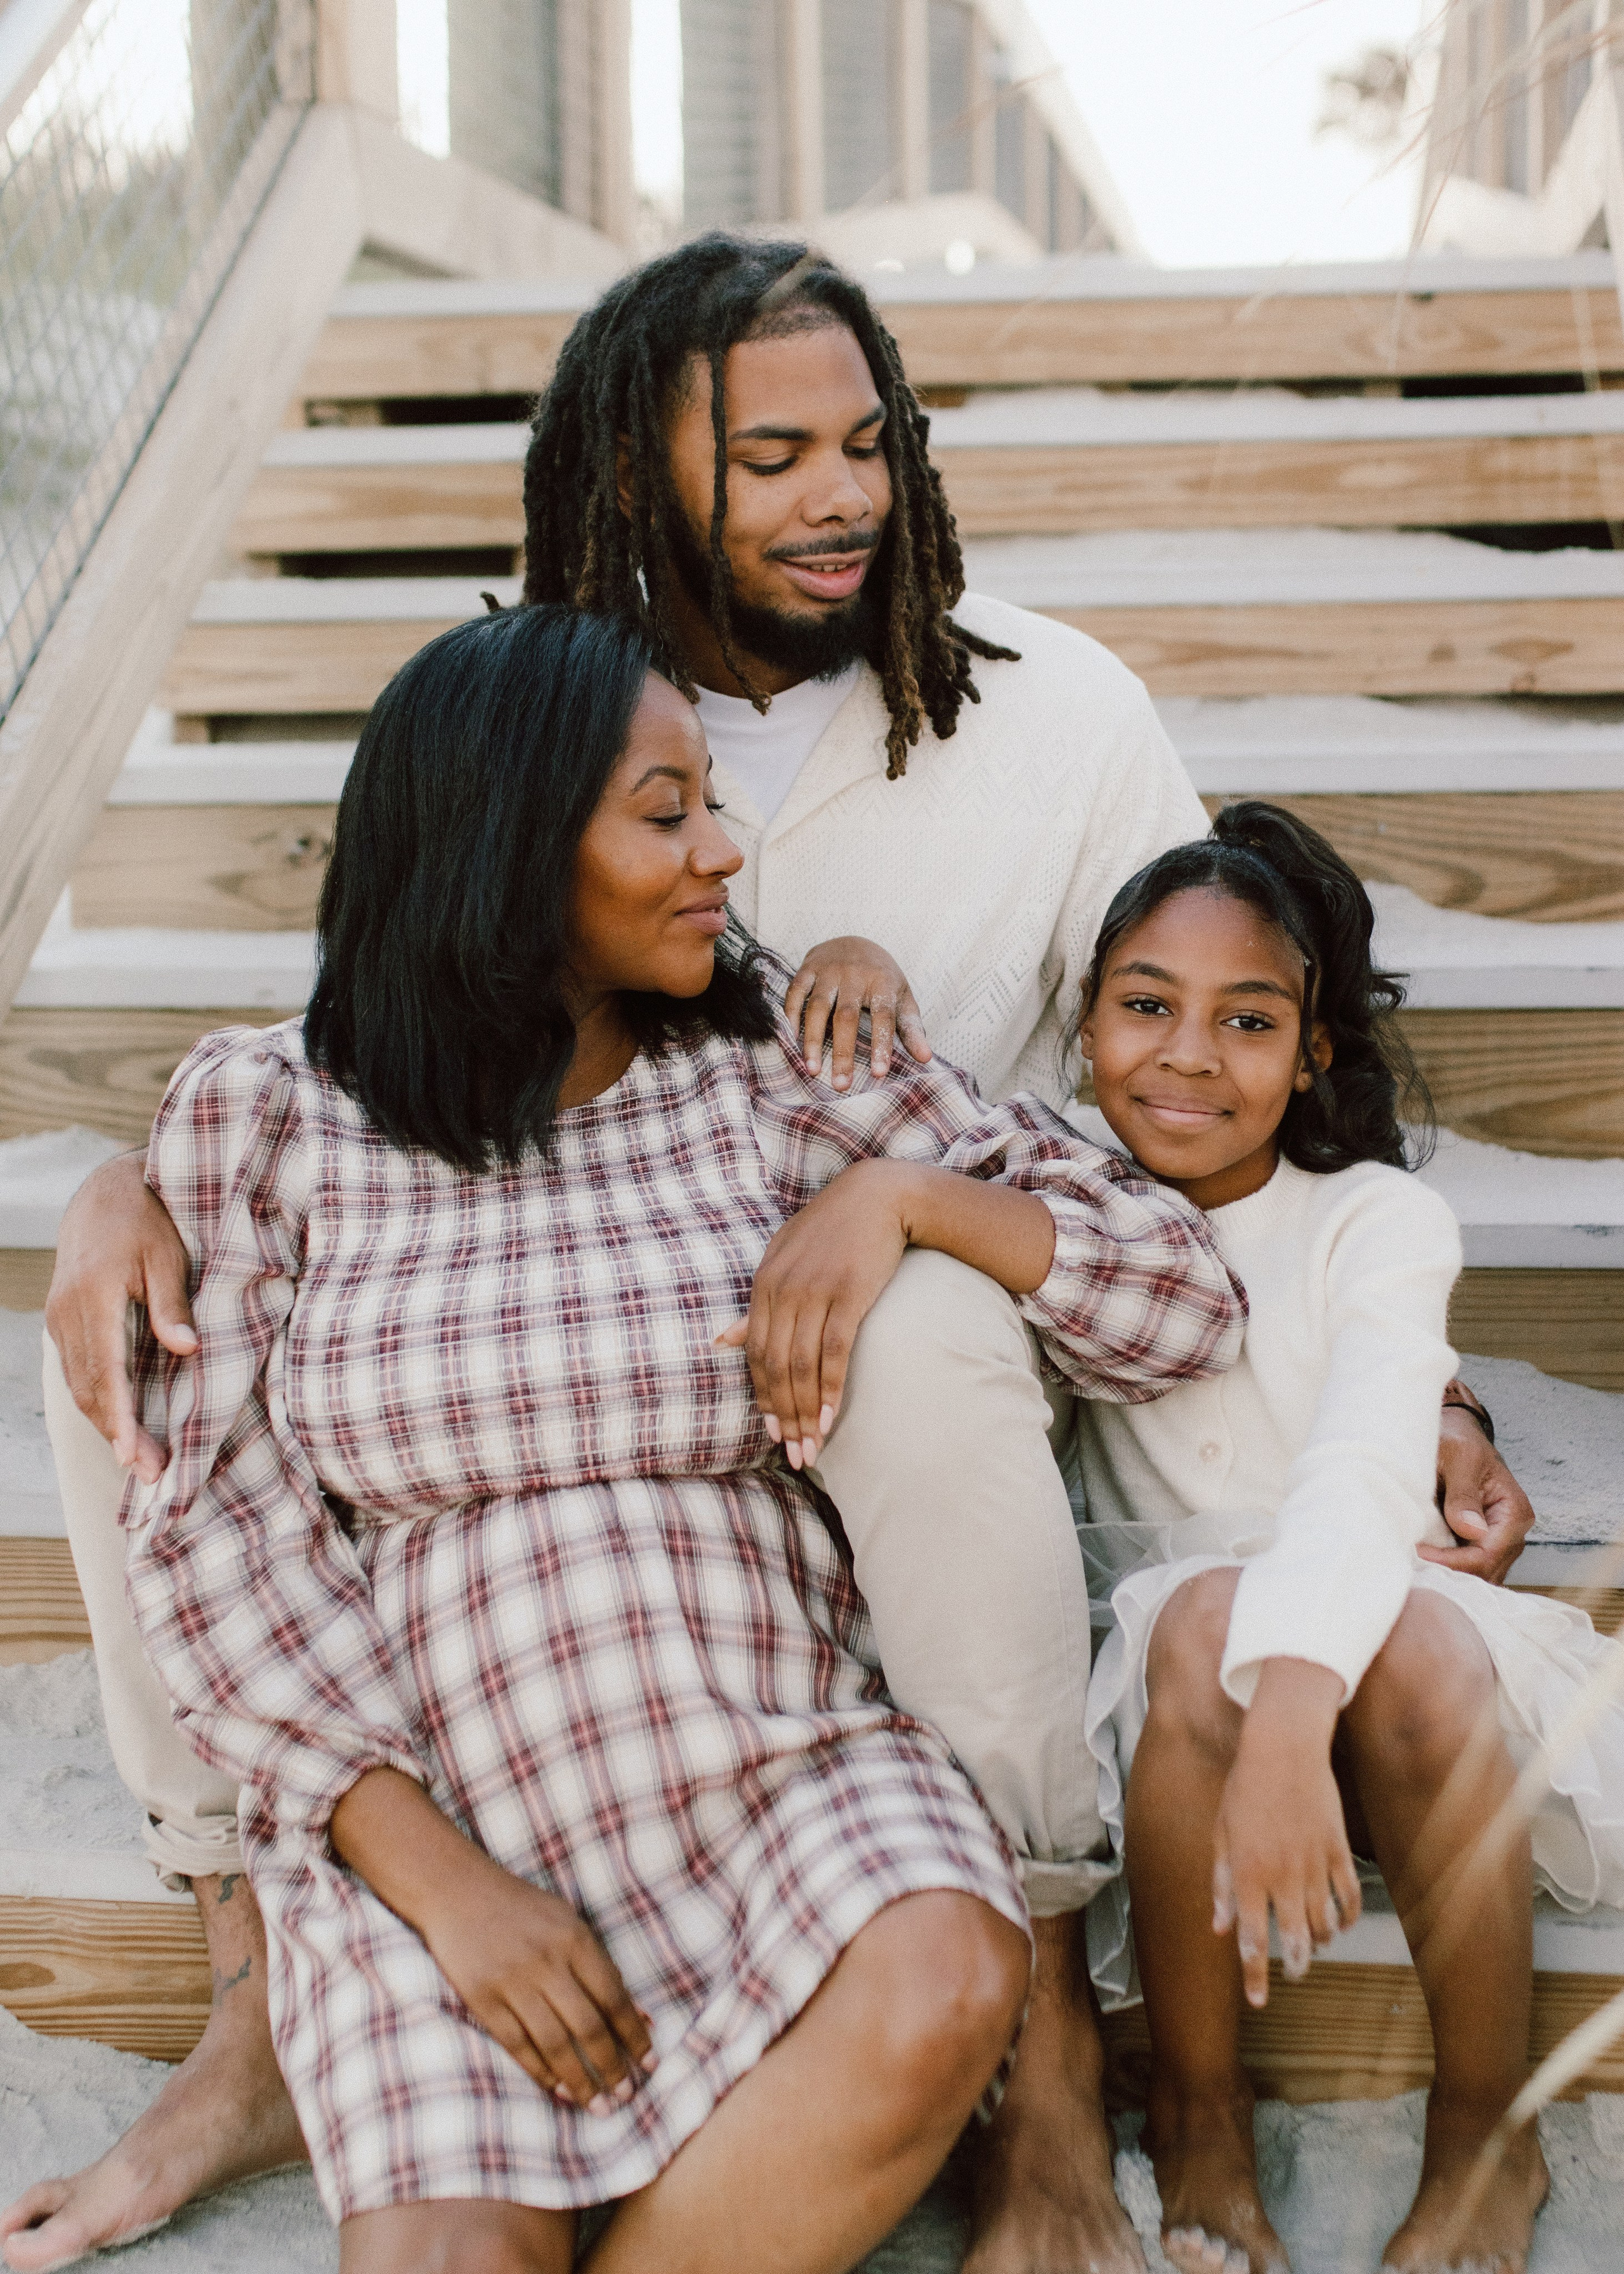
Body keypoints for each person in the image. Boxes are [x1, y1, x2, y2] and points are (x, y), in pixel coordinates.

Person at [16, 233, 1535, 2274]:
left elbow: (1225, 1039)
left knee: (920, 1330)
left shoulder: (1020, 757)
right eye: (774, 457)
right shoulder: (539, 716)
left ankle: (1049, 2052)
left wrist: (1390, 1362)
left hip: (903, 1394)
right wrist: (133, 1180)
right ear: (643, 484)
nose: (844, 498)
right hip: (499, 1639)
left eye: (870, 444)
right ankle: (253, 1985)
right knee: (127, 1324)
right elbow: (384, 1060)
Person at [126, 603, 1254, 2272]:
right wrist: (443, 1887)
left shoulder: (773, 1065)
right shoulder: (269, 1112)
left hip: (774, 1759)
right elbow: (216, 1537)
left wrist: (906, 1193)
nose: (724, 852)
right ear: (506, 845)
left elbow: (1180, 1298)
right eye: (668, 815)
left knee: (947, 1970)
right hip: (434, 1807)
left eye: (710, 802)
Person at [1068, 803, 1624, 2274]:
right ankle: (1196, 2110)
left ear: (1311, 1049)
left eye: (1247, 1019)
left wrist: (1289, 1709)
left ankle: (1481, 2128)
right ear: (1081, 1024)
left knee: (1417, 1638)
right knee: (1200, 1614)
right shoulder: (1061, 1203)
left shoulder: (1372, 1217)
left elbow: (1363, 1464)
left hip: (1385, 1679)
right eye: (1145, 1005)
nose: (1189, 1054)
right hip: (1172, 1715)